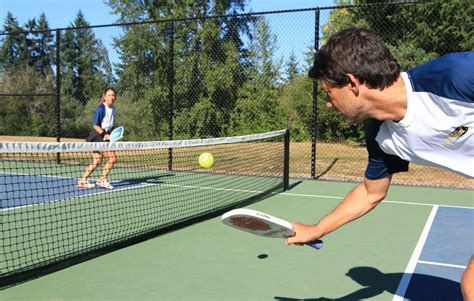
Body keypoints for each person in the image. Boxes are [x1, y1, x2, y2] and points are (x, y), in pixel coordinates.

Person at [285, 28, 473, 300]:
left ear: (352, 83)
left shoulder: (455, 76)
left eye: (329, 92)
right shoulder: (380, 136)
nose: (328, 104)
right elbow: (371, 192)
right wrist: (316, 229)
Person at [77, 87, 118, 190]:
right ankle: (102, 180)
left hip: (105, 136)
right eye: (109, 95)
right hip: (97, 136)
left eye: (113, 95)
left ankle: (82, 181)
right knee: (112, 158)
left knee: (97, 161)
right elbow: (96, 126)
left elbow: (110, 125)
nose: (111, 97)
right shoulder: (100, 109)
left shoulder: (113, 109)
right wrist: (105, 135)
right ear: (104, 97)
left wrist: (113, 135)